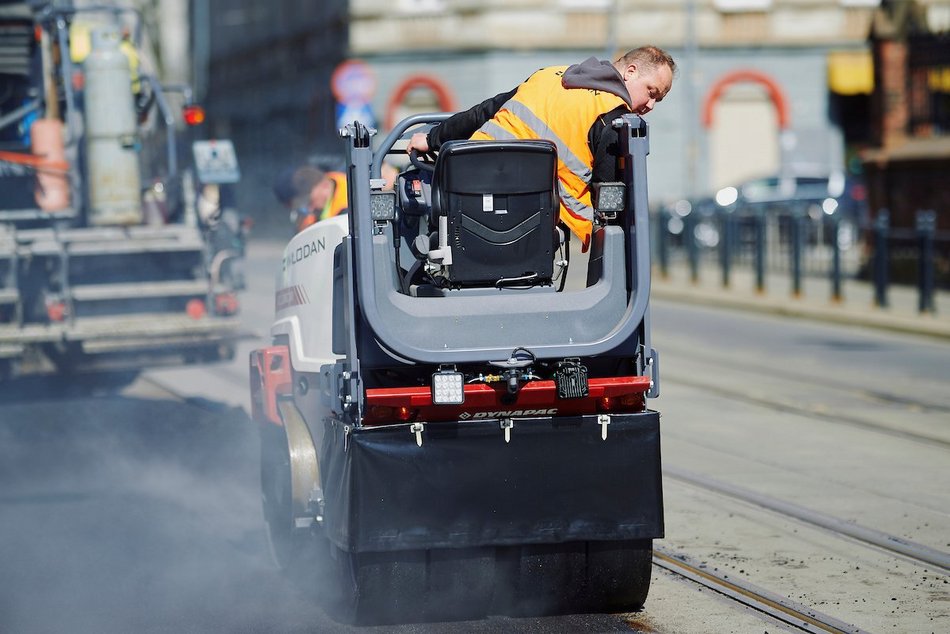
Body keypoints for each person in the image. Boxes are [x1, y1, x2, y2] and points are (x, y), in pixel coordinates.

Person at [407, 46, 675, 252]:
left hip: (467, 193)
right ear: (629, 72)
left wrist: (431, 139)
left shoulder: (548, 76)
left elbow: (485, 111)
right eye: (651, 92)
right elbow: (608, 196)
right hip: (531, 222)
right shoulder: (613, 118)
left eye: (658, 100)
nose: (651, 105)